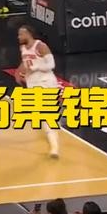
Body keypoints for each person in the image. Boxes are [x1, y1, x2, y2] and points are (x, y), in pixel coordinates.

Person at [15, 25, 61, 158]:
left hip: (46, 82)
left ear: (29, 34)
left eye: (21, 34)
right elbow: (26, 62)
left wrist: (36, 67)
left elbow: (51, 64)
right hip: (33, 83)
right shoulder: (23, 48)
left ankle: (54, 148)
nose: (19, 37)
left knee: (45, 114)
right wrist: (18, 71)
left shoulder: (40, 46)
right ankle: (54, 135)